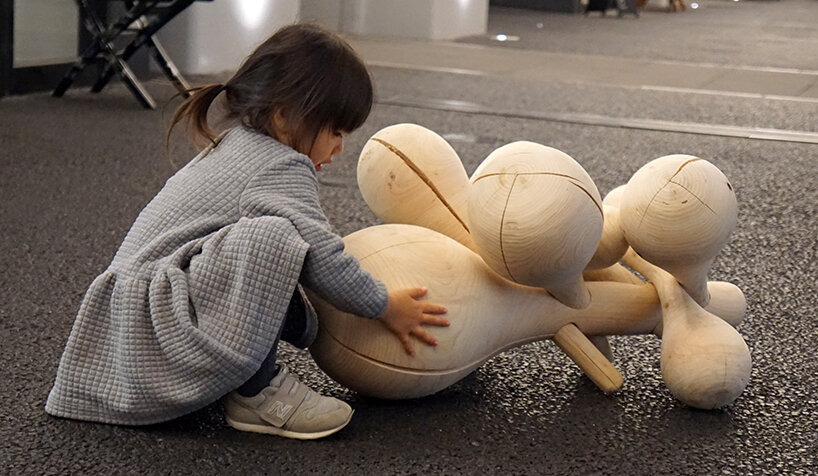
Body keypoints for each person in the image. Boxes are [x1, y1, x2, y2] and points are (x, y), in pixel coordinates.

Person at [45, 24, 449, 440]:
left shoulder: (236, 144)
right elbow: (323, 254)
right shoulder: (281, 165)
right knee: (274, 238)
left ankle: (244, 379)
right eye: (336, 131)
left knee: (275, 237)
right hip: (156, 331)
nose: (340, 148)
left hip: (135, 330)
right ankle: (258, 394)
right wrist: (385, 306)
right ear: (284, 118)